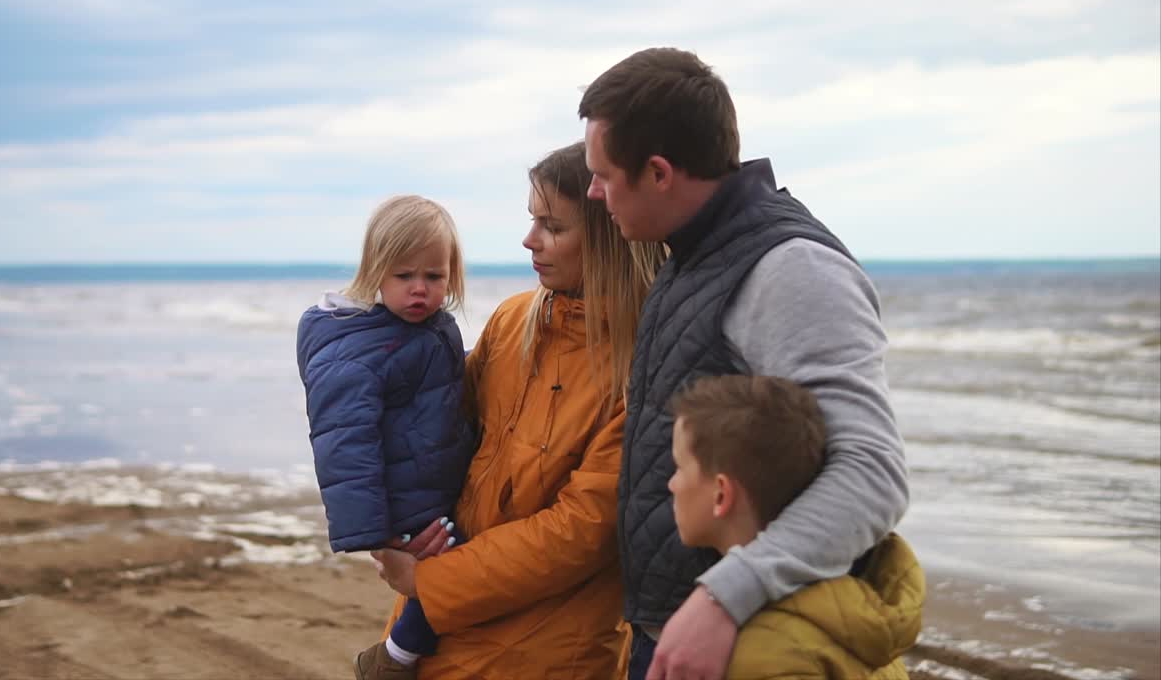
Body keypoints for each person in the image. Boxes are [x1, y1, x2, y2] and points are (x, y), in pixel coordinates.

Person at [578, 47, 910, 680]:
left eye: (602, 174)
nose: (593, 193)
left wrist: (722, 599)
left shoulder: (792, 270)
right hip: (692, 629)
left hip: (745, 641)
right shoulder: (693, 253)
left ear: (658, 173)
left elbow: (873, 474)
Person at [368, 141, 668, 678]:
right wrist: (392, 524)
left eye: (552, 226)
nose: (530, 240)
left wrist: (430, 582)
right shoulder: (512, 320)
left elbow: (582, 533)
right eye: (533, 220)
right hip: (434, 632)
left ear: (607, 234)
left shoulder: (643, 364)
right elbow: (434, 435)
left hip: (542, 655)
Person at [295, 194, 475, 679]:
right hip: (403, 504)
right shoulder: (355, 349)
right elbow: (343, 443)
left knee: (458, 570)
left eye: (434, 277)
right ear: (376, 271)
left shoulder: (427, 328)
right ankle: (394, 657)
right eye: (404, 276)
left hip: (430, 484)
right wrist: (378, 536)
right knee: (457, 575)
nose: (420, 289)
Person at [667, 374, 924, 679]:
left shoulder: (759, 657)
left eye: (679, 467)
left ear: (721, 494)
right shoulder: (852, 612)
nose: (672, 484)